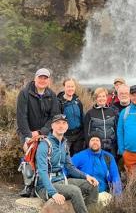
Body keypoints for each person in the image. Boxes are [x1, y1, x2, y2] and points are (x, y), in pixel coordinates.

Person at [35, 114, 99, 213]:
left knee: (93, 185)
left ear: (67, 126)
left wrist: (86, 176)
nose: (61, 126)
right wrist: (53, 193)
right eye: (58, 123)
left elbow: (70, 167)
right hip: (45, 186)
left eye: (64, 123)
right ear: (52, 126)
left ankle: (90, 211)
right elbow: (42, 172)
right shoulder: (45, 145)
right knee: (75, 191)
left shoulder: (64, 144)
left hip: (62, 180)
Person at [16, 68, 60, 197]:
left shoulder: (52, 95)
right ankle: (28, 185)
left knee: (45, 153)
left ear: (48, 80)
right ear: (35, 78)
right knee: (30, 151)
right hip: (26, 131)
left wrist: (41, 131)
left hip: (45, 132)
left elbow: (54, 117)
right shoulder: (24, 93)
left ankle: (41, 184)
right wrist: (29, 135)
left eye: (45, 78)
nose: (42, 80)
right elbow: (21, 117)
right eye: (40, 77)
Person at [72, 132, 122, 196]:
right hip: (85, 192)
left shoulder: (108, 157)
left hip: (104, 192)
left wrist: (118, 196)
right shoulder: (79, 156)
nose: (95, 142)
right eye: (92, 140)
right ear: (88, 143)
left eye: (97, 140)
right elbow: (68, 167)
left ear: (101, 143)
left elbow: (115, 176)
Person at [84, 87, 117, 156]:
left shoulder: (112, 112)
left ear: (106, 97)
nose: (101, 98)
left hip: (111, 146)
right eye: (99, 96)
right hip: (97, 146)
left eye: (103, 96)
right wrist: (89, 145)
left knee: (110, 165)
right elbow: (87, 132)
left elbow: (116, 129)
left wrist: (115, 143)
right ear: (96, 98)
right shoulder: (90, 113)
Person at [57, 78, 85, 156]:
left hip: (79, 136)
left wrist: (84, 134)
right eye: (68, 86)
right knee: (65, 158)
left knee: (77, 159)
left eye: (72, 86)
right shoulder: (59, 102)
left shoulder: (78, 101)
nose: (70, 89)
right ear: (64, 87)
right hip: (66, 137)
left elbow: (82, 117)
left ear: (75, 87)